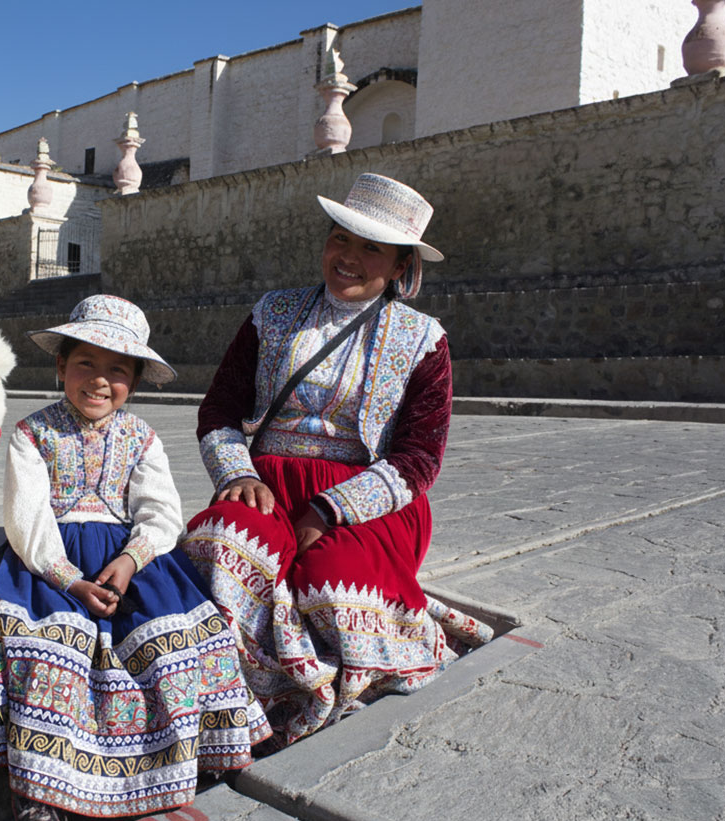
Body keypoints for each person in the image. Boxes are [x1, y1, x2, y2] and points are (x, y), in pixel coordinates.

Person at [182, 173, 493, 750]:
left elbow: (419, 458)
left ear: (400, 266)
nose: (347, 257)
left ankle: (316, 688)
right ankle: (229, 703)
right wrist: (237, 473)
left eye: (370, 248)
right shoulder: (272, 314)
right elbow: (220, 411)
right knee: (221, 550)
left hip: (364, 500)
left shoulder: (422, 339)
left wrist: (328, 510)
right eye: (339, 237)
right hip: (266, 483)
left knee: (330, 588)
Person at [0, 295, 270, 821]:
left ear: (133, 382)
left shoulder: (141, 437)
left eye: (117, 370)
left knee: (179, 637)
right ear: (60, 367)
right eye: (85, 363)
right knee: (49, 651)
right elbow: (27, 520)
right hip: (51, 564)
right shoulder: (31, 433)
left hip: (127, 558)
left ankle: (183, 761)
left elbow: (159, 512)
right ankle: (40, 800)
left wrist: (131, 559)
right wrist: (69, 579)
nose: (99, 381)